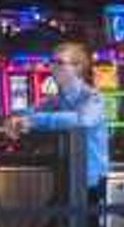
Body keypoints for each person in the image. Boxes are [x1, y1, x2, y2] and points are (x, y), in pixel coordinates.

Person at [12, 41, 114, 198]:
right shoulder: (56, 100)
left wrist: (35, 121)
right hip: (66, 178)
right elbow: (29, 113)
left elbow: (83, 120)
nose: (52, 68)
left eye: (59, 63)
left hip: (90, 184)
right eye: (51, 62)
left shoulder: (92, 97)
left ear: (77, 67)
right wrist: (16, 120)